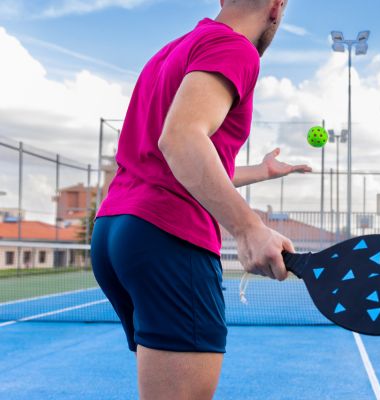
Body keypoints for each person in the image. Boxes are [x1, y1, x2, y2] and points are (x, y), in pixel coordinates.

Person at [91, 1, 308, 398]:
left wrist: (260, 171)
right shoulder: (235, 48)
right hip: (168, 236)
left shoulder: (173, 50)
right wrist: (248, 229)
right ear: (277, 8)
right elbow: (180, 139)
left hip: (116, 230)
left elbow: (173, 157)